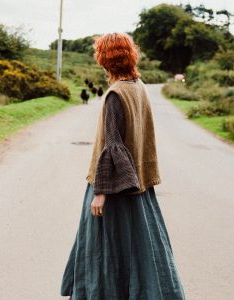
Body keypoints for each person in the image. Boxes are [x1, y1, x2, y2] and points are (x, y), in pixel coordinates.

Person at [60, 32, 186, 300]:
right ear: (130, 56)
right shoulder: (138, 85)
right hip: (138, 185)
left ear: (104, 59)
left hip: (113, 189)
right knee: (143, 248)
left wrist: (100, 193)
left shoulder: (115, 95)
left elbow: (112, 145)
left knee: (106, 251)